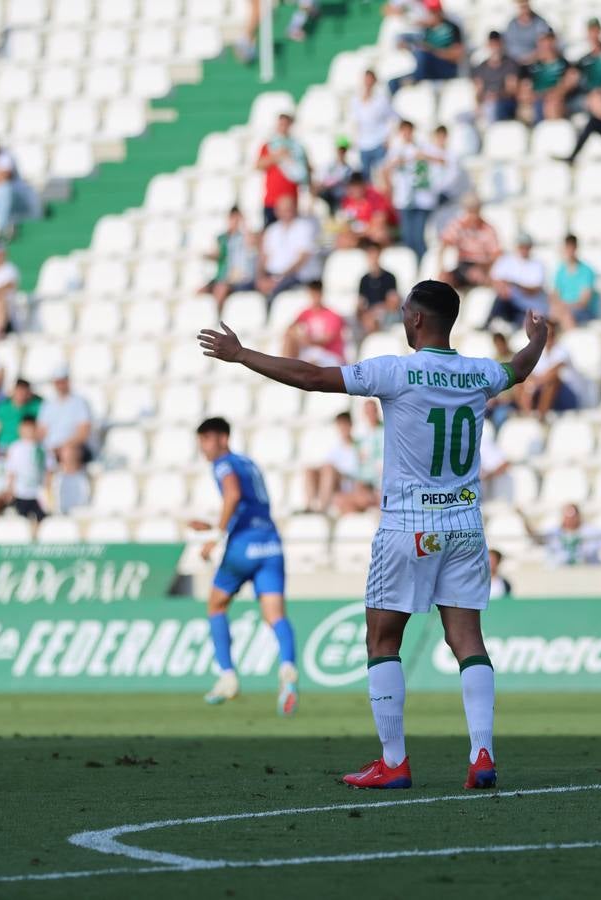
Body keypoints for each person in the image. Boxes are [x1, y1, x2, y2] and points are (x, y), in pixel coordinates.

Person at [198, 279, 548, 790]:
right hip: (466, 523)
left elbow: (313, 377)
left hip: (408, 526)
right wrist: (538, 338)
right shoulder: (478, 373)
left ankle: (394, 762)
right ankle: (481, 755)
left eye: (407, 311)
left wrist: (241, 354)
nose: (403, 318)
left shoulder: (396, 370)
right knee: (468, 639)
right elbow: (519, 367)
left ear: (420, 320)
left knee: (383, 639)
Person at [188, 417, 300, 716]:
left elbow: (233, 494)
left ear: (222, 438)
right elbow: (251, 507)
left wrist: (215, 535)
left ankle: (227, 676)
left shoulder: (223, 464)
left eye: (207, 441)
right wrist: (215, 524)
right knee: (275, 616)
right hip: (271, 545)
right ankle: (288, 671)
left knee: (216, 604)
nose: (204, 449)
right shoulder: (249, 463)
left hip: (243, 548)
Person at [385, 120, 441, 262]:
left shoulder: (422, 147)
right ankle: (412, 265)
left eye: (408, 130)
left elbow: (441, 160)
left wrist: (423, 156)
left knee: (418, 236)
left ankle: (423, 264)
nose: (406, 134)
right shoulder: (396, 150)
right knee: (407, 236)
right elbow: (385, 170)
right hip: (404, 199)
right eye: (403, 131)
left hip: (422, 199)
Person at [389, 0, 463, 94]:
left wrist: (433, 51)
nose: (432, 14)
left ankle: (414, 79)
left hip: (446, 68)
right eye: (430, 11)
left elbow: (457, 55)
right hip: (428, 69)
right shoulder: (427, 30)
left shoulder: (451, 27)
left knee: (421, 54)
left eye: (434, 11)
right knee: (392, 83)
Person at [258, 196, 322, 301]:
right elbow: (263, 258)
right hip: (274, 275)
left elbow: (302, 259)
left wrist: (279, 278)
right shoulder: (272, 230)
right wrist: (261, 278)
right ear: (276, 211)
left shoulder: (305, 227)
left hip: (297, 276)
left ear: (295, 209)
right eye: (282, 210)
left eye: (288, 209)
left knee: (275, 292)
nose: (286, 213)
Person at [516, 321, 585, 416]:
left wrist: (532, 385)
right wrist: (529, 385)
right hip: (545, 392)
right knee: (519, 383)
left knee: (551, 382)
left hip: (567, 395)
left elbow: (552, 373)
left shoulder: (562, 351)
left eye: (550, 334)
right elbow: (530, 374)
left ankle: (541, 417)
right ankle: (527, 415)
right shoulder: (540, 353)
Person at [527, 503, 601, 565]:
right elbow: (538, 539)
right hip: (559, 578)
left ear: (578, 516)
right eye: (567, 516)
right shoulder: (555, 532)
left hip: (588, 577)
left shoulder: (591, 531)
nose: (569, 520)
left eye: (572, 516)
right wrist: (524, 520)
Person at [485, 233, 549, 327]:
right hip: (509, 304)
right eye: (521, 246)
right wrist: (503, 287)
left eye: (526, 246)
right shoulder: (506, 260)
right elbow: (494, 280)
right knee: (500, 299)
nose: (523, 249)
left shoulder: (537, 265)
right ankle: (490, 323)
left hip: (527, 307)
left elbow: (534, 290)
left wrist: (514, 285)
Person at [438, 194, 501, 289]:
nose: (473, 215)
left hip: (482, 266)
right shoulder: (458, 225)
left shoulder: (488, 229)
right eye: (470, 211)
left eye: (475, 211)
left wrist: (486, 268)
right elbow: (444, 245)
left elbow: (495, 255)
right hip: (463, 264)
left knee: (476, 274)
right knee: (444, 280)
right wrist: (442, 268)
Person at [35, 366, 93, 466]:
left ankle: (70, 481)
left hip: (72, 447)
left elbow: (83, 433)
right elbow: (41, 431)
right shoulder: (48, 404)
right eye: (57, 382)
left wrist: (63, 446)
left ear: (68, 381)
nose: (60, 385)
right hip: (51, 448)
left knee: (68, 453)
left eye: (62, 381)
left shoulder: (79, 403)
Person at [281, 281, 347, 366]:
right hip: (313, 352)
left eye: (316, 294)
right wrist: (297, 337)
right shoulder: (306, 313)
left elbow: (327, 339)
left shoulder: (333, 315)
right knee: (290, 339)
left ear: (321, 294)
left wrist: (306, 340)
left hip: (330, 354)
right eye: (312, 294)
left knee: (311, 363)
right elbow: (290, 328)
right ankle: (286, 366)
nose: (314, 298)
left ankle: (288, 368)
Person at [202, 208, 258, 303]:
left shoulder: (246, 237)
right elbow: (216, 254)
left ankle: (218, 317)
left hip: (241, 279)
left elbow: (252, 244)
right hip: (225, 277)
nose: (235, 222)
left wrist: (245, 226)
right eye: (232, 219)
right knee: (201, 291)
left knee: (221, 289)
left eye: (237, 219)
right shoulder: (223, 238)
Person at [517, 30, 571, 123]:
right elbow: (523, 91)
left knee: (552, 106)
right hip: (534, 101)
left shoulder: (563, 64)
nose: (546, 45)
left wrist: (551, 95)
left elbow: (565, 87)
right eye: (543, 41)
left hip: (554, 102)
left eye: (549, 40)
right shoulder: (530, 66)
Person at [351, 70, 397, 178]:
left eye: (370, 79)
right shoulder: (356, 101)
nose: (368, 82)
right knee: (366, 178)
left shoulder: (381, 100)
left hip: (379, 143)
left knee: (381, 176)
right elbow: (355, 122)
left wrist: (387, 138)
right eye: (366, 79)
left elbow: (393, 118)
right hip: (363, 144)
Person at [336, 174, 398, 249]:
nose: (355, 189)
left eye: (357, 185)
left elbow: (380, 220)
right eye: (352, 186)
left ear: (363, 185)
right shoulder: (347, 201)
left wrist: (364, 232)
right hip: (358, 233)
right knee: (342, 240)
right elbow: (346, 222)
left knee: (379, 235)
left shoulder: (374, 197)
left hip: (372, 231)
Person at [472, 31, 521, 124]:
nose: (495, 47)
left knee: (492, 108)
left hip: (504, 103)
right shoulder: (481, 67)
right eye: (492, 44)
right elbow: (478, 91)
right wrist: (479, 104)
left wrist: (496, 96)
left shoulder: (510, 65)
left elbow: (511, 90)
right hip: (486, 103)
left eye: (497, 44)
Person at [550, 234, 599, 327]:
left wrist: (564, 307)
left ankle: (572, 340)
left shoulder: (587, 271)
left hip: (583, 312)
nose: (569, 251)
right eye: (567, 247)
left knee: (566, 317)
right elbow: (555, 295)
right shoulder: (560, 271)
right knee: (548, 317)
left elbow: (584, 302)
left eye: (571, 247)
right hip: (564, 310)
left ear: (576, 248)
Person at [5, 415, 46, 521]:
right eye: (25, 428)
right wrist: (10, 490)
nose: (28, 431)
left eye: (31, 428)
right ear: (20, 429)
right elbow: (11, 471)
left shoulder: (42, 448)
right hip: (20, 493)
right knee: (21, 522)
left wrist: (47, 490)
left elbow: (48, 470)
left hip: (38, 494)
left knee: (41, 520)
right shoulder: (15, 448)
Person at [357, 239, 401, 335]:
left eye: (374, 254)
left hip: (385, 313)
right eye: (370, 254)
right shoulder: (364, 279)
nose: (373, 257)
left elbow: (393, 302)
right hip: (369, 315)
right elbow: (361, 303)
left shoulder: (389, 277)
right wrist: (366, 314)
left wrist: (377, 310)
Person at [0, 378, 41, 449]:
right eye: (19, 390)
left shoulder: (35, 407)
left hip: (25, 446)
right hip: (4, 446)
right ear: (14, 390)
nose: (21, 393)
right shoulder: (3, 408)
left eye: (24, 390)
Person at [501, 0, 551, 65]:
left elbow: (544, 44)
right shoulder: (512, 24)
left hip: (535, 62)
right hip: (514, 62)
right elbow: (506, 43)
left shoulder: (539, 22)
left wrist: (531, 58)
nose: (524, 9)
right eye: (521, 6)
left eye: (525, 6)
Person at [314, 137, 355, 214]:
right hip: (327, 195)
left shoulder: (349, 169)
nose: (341, 152)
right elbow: (320, 181)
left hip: (339, 198)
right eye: (340, 149)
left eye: (343, 150)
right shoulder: (328, 165)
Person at [49, 444, 92, 515]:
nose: (71, 454)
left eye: (74, 450)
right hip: (60, 516)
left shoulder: (91, 475)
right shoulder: (52, 477)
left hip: (83, 515)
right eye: (67, 451)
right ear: (60, 454)